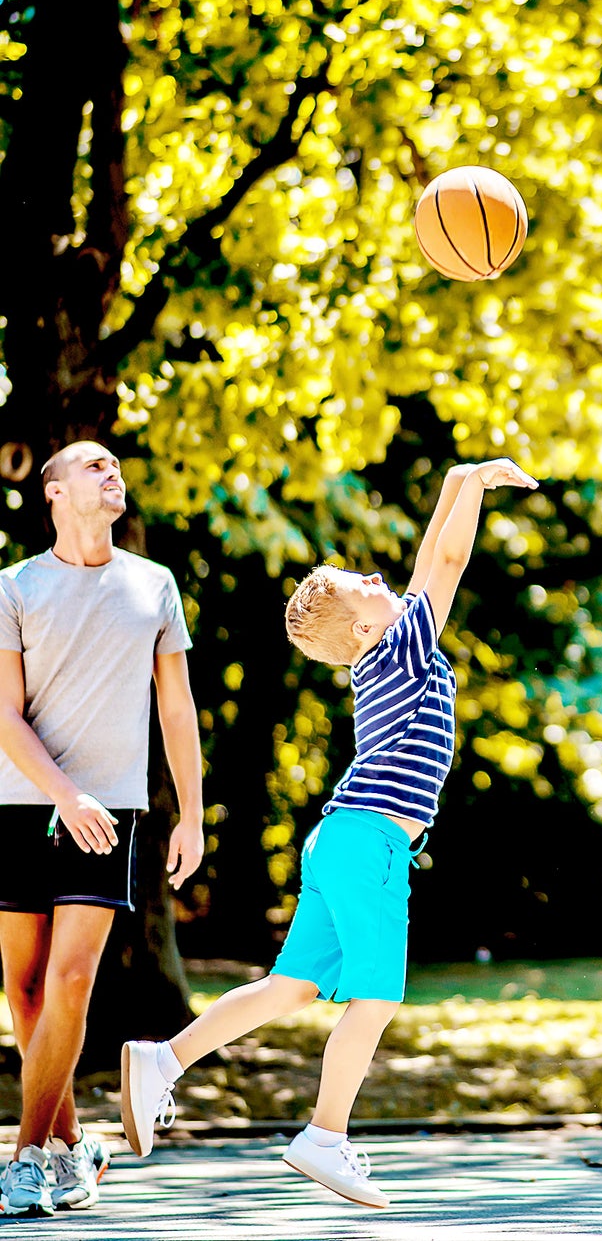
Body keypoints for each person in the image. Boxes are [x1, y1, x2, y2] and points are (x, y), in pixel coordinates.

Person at [120, 457, 537, 1208]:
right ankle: (325, 1135)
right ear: (367, 624)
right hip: (370, 842)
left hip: (339, 838)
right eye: (366, 587)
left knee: (292, 986)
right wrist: (474, 489)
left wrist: (456, 476)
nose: (382, 582)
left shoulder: (385, 647)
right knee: (374, 997)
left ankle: (164, 1059)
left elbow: (421, 564)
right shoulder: (406, 640)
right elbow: (443, 557)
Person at [0, 441, 204, 1217]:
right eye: (93, 465)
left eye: (115, 465)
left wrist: (190, 811)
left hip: (109, 811)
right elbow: (3, 714)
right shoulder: (13, 587)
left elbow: (176, 708)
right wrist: (64, 793)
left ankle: (23, 1158)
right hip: (19, 804)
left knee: (73, 978)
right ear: (53, 491)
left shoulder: (154, 585)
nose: (111, 472)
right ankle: (69, 1141)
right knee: (23, 989)